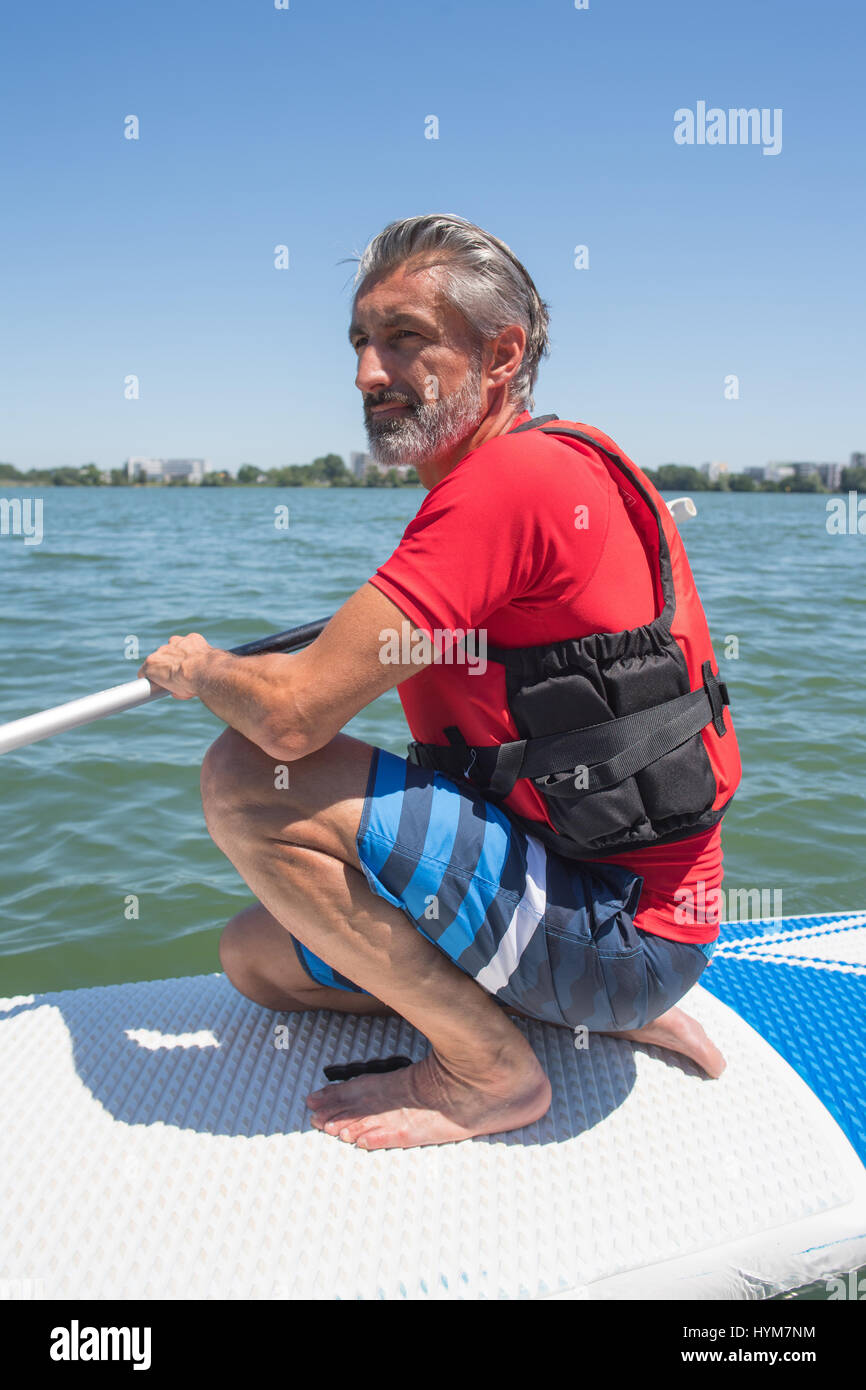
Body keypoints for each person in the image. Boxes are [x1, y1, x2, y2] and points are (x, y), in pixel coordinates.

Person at [140, 213, 740, 1151]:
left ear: (502, 356)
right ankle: (571, 1006)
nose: (367, 374)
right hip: (639, 925)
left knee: (248, 779)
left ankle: (489, 1073)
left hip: (620, 930)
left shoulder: (504, 487)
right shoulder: (569, 465)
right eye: (361, 342)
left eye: (405, 340)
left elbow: (293, 720)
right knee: (254, 958)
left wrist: (203, 668)